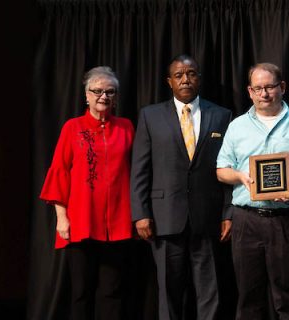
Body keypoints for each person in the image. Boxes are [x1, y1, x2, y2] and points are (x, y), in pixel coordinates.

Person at [216, 62, 289, 320]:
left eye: (270, 87)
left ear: (282, 87)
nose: (264, 93)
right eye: (258, 88)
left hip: (287, 220)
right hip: (246, 220)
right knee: (248, 296)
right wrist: (241, 177)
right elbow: (221, 170)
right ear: (249, 91)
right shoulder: (237, 126)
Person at [130, 54, 232, 320]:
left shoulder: (221, 115)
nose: (185, 79)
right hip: (164, 217)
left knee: (210, 289)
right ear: (169, 81)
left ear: (199, 78)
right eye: (179, 75)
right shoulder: (150, 116)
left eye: (191, 74)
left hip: (208, 218)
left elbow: (229, 167)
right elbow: (140, 169)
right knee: (169, 290)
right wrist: (140, 213)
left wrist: (228, 213)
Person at [40, 66, 134, 320]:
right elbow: (59, 171)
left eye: (110, 92)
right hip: (80, 222)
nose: (103, 96)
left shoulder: (127, 128)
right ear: (87, 95)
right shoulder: (72, 128)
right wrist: (61, 217)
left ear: (115, 96)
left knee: (112, 291)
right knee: (81, 291)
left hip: (118, 223)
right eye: (97, 91)